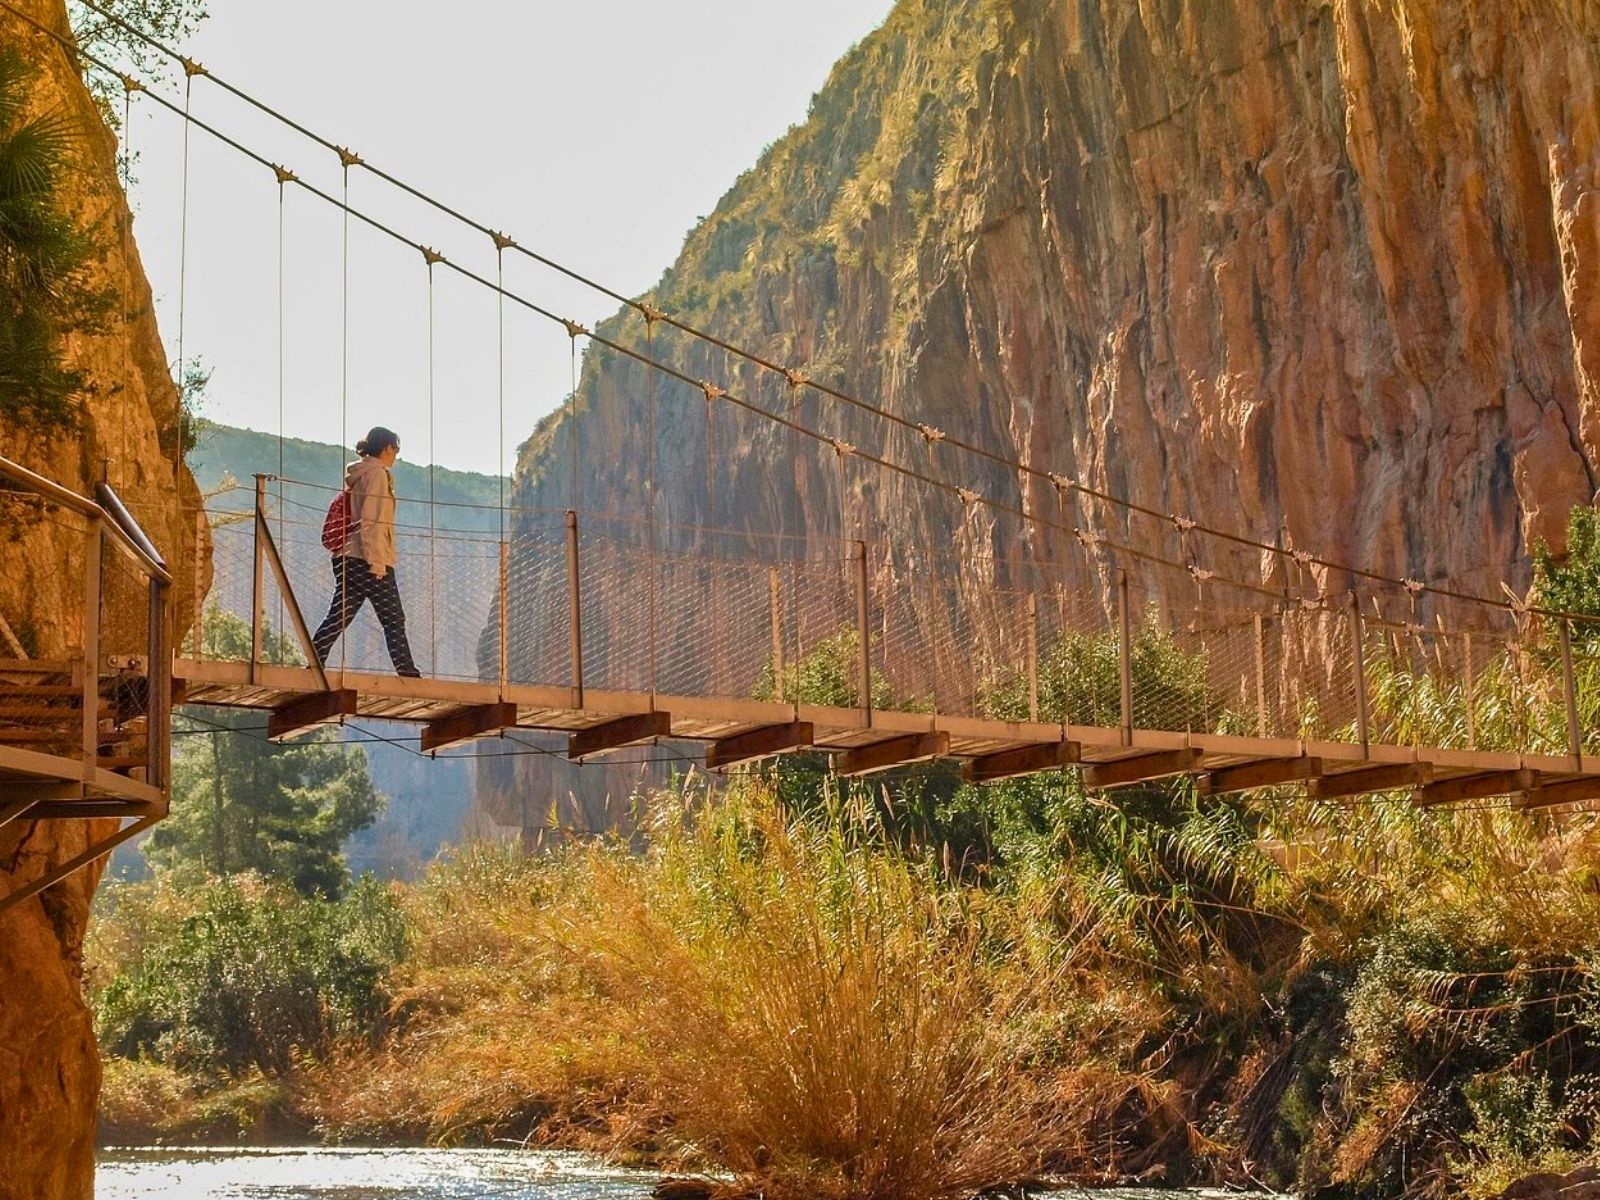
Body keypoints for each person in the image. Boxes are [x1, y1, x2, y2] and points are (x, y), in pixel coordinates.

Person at [311, 426, 422, 677]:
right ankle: (408, 674)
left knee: (341, 614)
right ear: (387, 448)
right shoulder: (377, 475)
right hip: (366, 559)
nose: (395, 456)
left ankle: (315, 657)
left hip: (346, 556)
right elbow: (371, 521)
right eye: (395, 450)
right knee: (394, 619)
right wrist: (378, 563)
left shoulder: (359, 474)